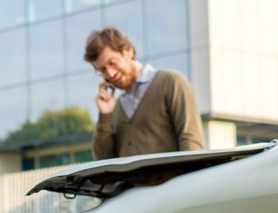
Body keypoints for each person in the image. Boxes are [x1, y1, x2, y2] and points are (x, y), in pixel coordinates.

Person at [84, 27, 204, 159]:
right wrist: (105, 115)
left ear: (128, 51)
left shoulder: (171, 82)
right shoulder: (116, 106)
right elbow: (103, 160)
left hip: (173, 179)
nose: (110, 74)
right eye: (103, 70)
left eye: (112, 63)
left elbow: (191, 143)